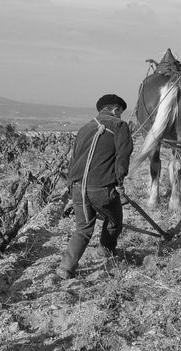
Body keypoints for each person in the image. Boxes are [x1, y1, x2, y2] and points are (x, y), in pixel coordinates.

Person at [57, 94, 133, 279]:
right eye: (120, 112)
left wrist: (70, 186)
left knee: (82, 229)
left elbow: (73, 159)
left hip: (77, 187)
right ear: (116, 110)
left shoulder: (84, 128)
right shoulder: (119, 125)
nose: (121, 116)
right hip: (102, 188)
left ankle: (65, 268)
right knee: (115, 221)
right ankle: (104, 252)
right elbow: (123, 156)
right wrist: (120, 181)